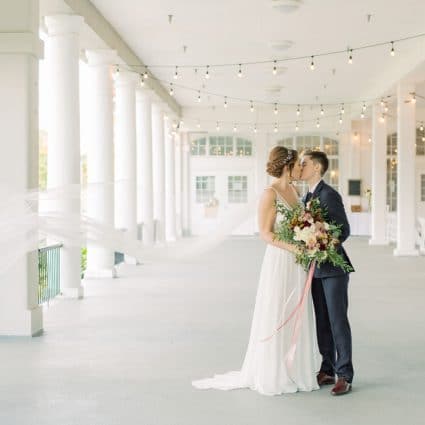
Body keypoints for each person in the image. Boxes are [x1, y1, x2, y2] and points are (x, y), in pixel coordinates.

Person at [192, 146, 320, 396]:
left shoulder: (295, 190)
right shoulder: (269, 194)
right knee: (278, 310)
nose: (300, 169)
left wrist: (310, 239)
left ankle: (297, 370)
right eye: (297, 165)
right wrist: (296, 248)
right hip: (281, 260)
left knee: (298, 312)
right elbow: (266, 234)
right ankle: (274, 373)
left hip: (298, 264)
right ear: (287, 166)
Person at [300, 150, 354, 396]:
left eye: (305, 163)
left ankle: (345, 375)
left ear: (317, 168)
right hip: (315, 269)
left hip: (333, 269)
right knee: (322, 320)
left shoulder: (329, 195)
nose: (301, 166)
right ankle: (327, 368)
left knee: (337, 321)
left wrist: (321, 243)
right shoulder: (307, 196)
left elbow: (343, 230)